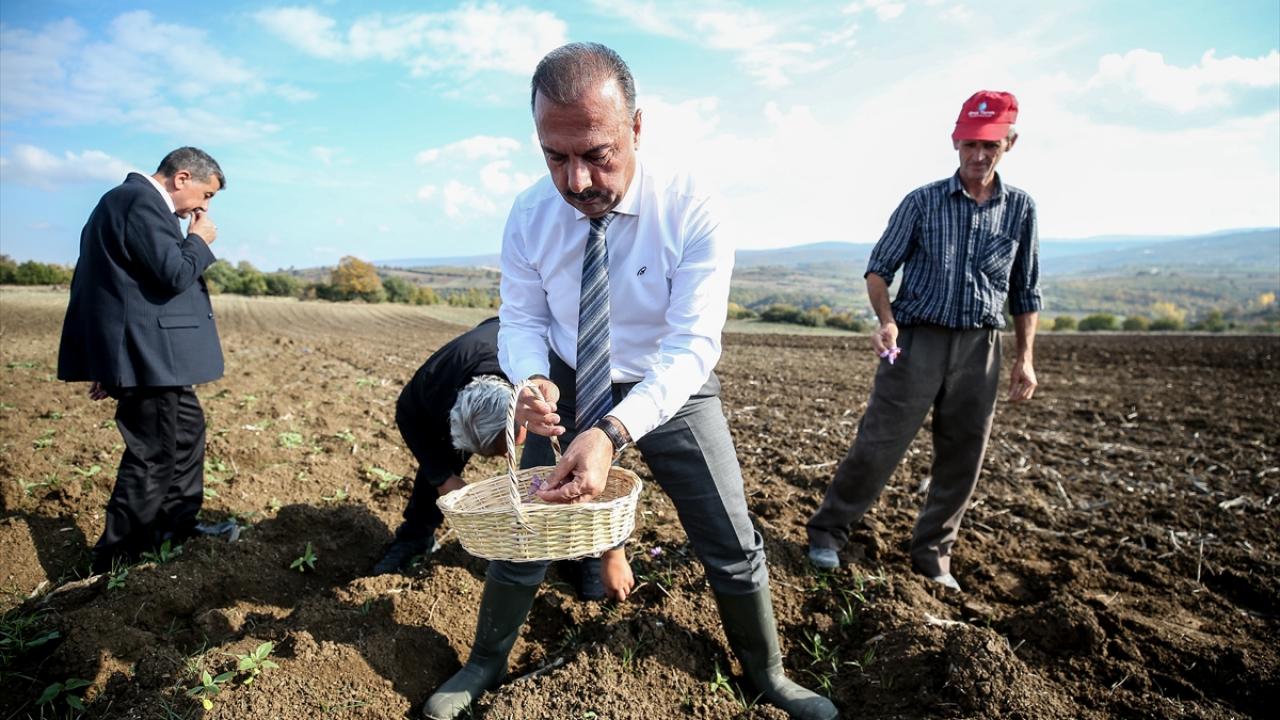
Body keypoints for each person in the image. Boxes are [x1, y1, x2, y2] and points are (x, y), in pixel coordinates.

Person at [422, 43, 837, 720]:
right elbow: (522, 315)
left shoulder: (692, 206)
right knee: (529, 527)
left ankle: (768, 675)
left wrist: (613, 430)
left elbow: (693, 345)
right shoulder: (530, 214)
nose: (577, 180)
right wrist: (530, 379)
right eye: (555, 157)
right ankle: (484, 663)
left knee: (727, 536)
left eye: (597, 153)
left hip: (668, 384)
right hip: (564, 378)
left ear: (637, 128)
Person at [806, 90, 1042, 592]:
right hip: (915, 343)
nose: (979, 156)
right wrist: (886, 320)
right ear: (956, 142)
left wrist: (1025, 359)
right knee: (879, 443)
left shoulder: (1021, 209)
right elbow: (878, 270)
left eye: (991, 146)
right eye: (970, 145)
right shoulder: (922, 202)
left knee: (963, 455)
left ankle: (934, 553)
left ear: (1010, 144)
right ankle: (827, 532)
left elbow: (1025, 290)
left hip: (981, 346)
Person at [373, 317, 633, 602]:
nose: (506, 458)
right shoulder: (433, 386)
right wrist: (443, 477)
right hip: (462, 377)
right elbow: (407, 416)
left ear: (517, 423)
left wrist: (614, 552)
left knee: (573, 460)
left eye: (506, 448)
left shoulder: (545, 385)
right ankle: (414, 537)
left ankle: (591, 555)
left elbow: (599, 452)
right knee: (437, 461)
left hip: (558, 363)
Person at [57, 147, 229, 574]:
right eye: (206, 195)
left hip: (145, 356)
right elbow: (172, 274)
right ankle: (115, 558)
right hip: (148, 357)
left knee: (187, 434)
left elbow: (105, 286)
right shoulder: (139, 202)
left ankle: (173, 530)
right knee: (153, 455)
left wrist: (106, 361)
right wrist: (199, 242)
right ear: (183, 178)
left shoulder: (126, 203)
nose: (204, 207)